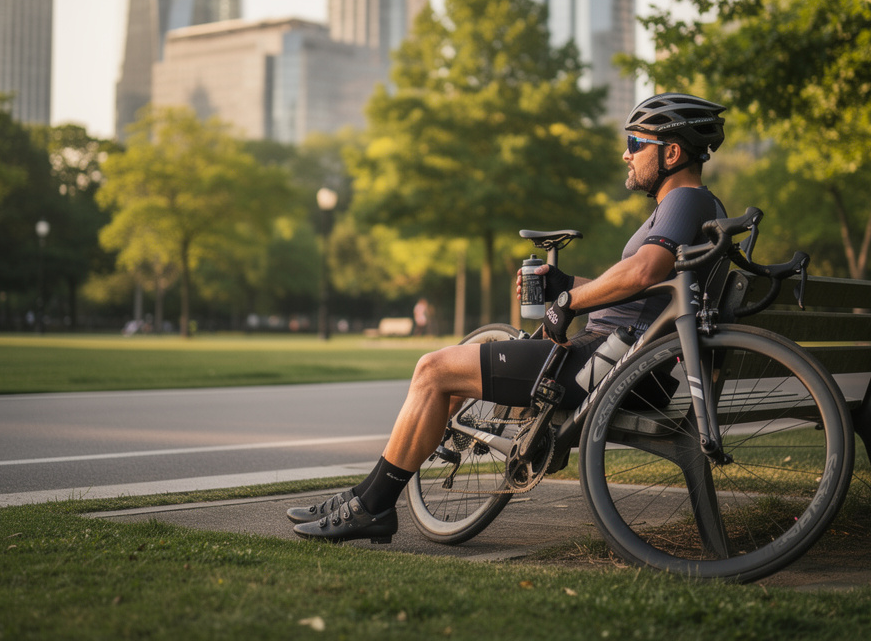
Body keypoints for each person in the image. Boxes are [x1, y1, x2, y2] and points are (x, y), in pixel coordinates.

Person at [288, 93, 730, 543]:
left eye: (636, 142)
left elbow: (643, 271)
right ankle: (366, 496)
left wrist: (569, 303)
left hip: (607, 362)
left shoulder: (685, 201)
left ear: (671, 153)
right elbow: (643, 288)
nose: (626, 153)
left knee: (432, 369)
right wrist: (565, 285)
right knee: (460, 363)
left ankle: (371, 506)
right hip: (626, 360)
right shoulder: (696, 208)